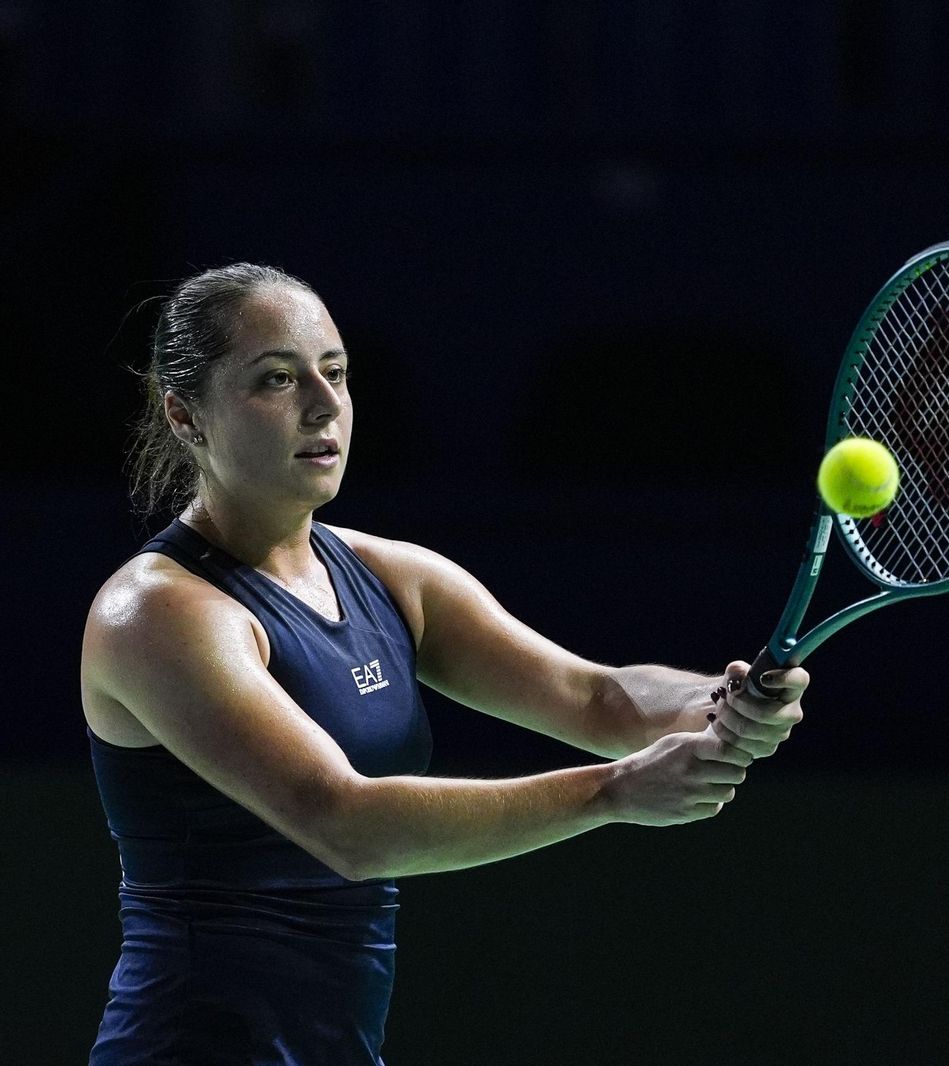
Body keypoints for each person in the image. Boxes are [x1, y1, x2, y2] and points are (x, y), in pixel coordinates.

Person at [81, 263, 807, 1064]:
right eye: (278, 380)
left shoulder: (393, 578)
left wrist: (721, 697)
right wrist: (613, 791)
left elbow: (596, 697)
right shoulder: (158, 614)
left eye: (338, 373)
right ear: (185, 415)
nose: (324, 406)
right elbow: (344, 822)